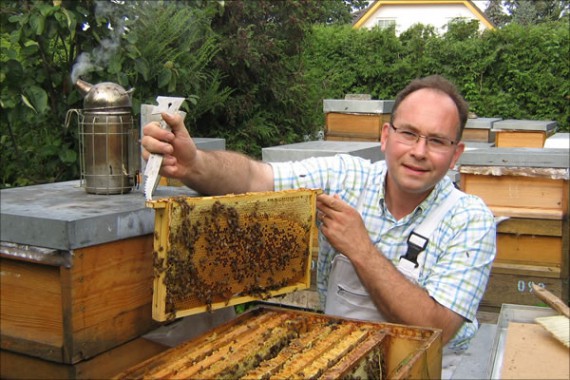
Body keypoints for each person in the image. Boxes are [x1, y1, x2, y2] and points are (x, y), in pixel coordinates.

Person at [141, 75, 496, 378]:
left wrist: (361, 250)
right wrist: (195, 164)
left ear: (456, 154)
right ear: (386, 136)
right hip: (337, 361)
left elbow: (436, 329)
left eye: (436, 141)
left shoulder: (469, 219)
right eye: (409, 133)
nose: (419, 151)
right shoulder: (346, 177)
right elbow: (255, 177)